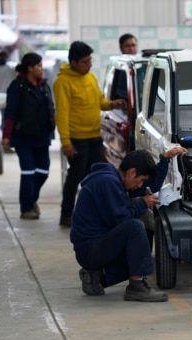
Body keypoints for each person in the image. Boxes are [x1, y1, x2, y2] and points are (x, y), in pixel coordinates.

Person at [71, 147, 187, 302]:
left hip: (96, 246)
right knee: (135, 227)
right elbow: (121, 221)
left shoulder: (116, 180)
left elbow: (151, 186)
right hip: (89, 249)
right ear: (132, 173)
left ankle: (96, 277)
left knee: (141, 256)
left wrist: (165, 158)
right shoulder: (108, 182)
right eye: (140, 181)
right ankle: (137, 287)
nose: (140, 186)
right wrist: (142, 204)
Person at [54, 41, 126, 227]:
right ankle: (66, 214)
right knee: (76, 176)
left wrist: (112, 104)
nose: (89, 64)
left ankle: (93, 213)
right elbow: (62, 113)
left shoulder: (90, 77)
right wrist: (66, 142)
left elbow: (100, 102)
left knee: (96, 176)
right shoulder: (62, 82)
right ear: (74, 62)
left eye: (90, 60)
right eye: (85, 62)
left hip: (95, 136)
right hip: (77, 139)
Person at [1, 53, 56, 220]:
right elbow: (10, 113)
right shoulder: (16, 87)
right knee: (28, 172)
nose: (41, 68)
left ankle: (32, 199)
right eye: (38, 65)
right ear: (30, 68)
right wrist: (6, 136)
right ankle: (26, 208)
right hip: (23, 137)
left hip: (42, 137)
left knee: (43, 171)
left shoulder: (44, 86)